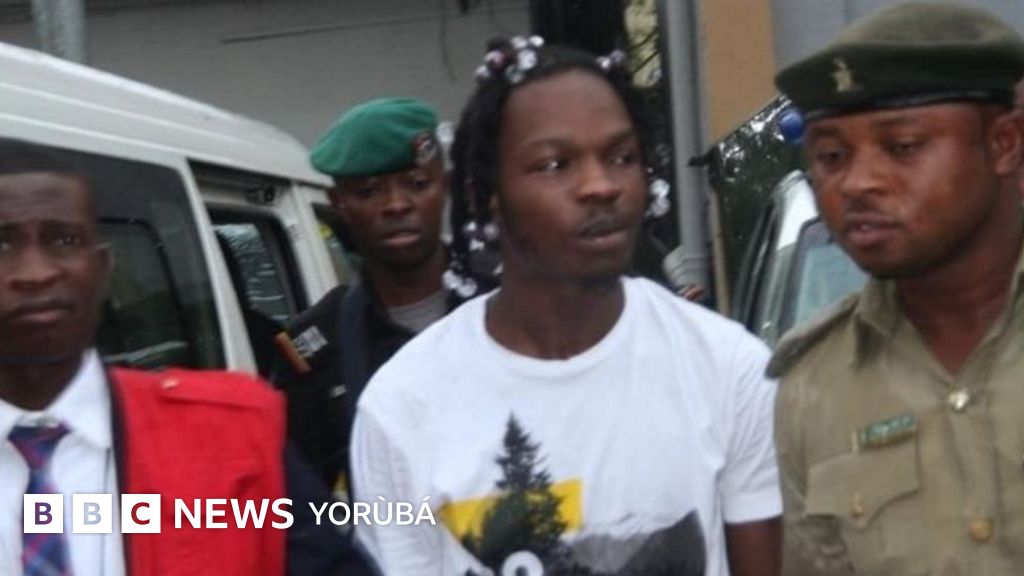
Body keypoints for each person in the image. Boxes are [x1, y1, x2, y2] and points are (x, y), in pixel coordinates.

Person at [350, 37, 781, 576]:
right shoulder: (401, 407)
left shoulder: (728, 367)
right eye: (555, 164)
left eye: (621, 157)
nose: (600, 186)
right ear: (489, 194)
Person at [0, 140, 344, 575]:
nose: (35, 273)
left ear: (104, 269)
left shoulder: (235, 434)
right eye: (2, 244)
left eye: (64, 240)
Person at [770, 3, 1024, 575]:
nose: (858, 182)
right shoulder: (813, 390)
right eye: (832, 156)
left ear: (1005, 143)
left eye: (903, 146)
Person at [270, 98, 484, 503]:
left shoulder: (512, 302)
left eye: (417, 184)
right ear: (339, 204)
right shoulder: (316, 348)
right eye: (369, 191)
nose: (396, 205)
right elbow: (304, 512)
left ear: (446, 187)